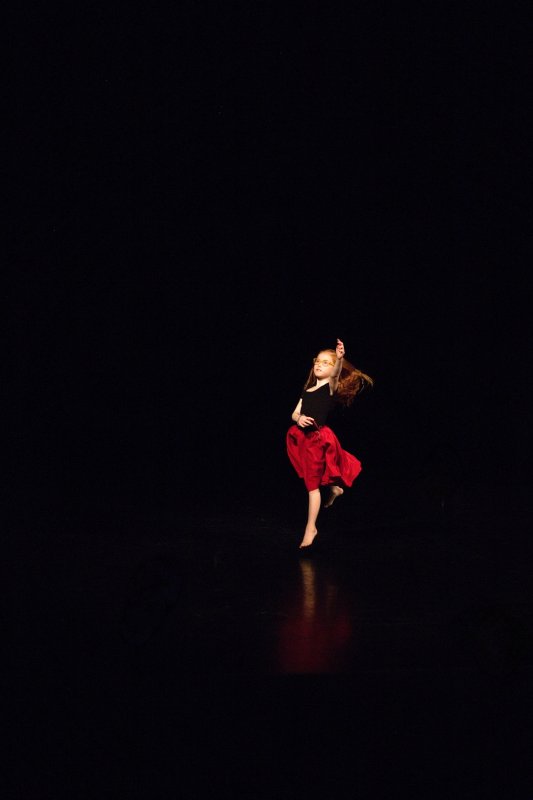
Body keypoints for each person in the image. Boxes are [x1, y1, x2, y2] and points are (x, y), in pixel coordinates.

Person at [286, 339, 373, 549]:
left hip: (318, 439)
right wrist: (299, 418)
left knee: (312, 487)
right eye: (318, 361)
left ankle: (311, 528)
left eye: (326, 362)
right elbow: (295, 413)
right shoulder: (308, 389)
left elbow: (334, 376)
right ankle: (334, 489)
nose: (319, 365)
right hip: (302, 438)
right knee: (313, 475)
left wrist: (339, 359)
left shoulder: (330, 388)